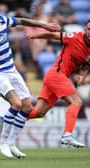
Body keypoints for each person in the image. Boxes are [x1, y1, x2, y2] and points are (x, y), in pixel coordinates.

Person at [0, 0, 60, 158]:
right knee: (16, 103)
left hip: (12, 70)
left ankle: (11, 141)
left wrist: (44, 25)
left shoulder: (2, 20)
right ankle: (2, 141)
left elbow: (22, 21)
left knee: (27, 108)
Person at [25, 19, 90, 148]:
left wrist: (82, 76)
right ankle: (67, 135)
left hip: (56, 77)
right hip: (56, 74)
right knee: (76, 101)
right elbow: (53, 35)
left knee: (38, 113)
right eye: (89, 29)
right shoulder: (75, 37)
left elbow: (87, 64)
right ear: (85, 30)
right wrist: (35, 35)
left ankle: (7, 119)